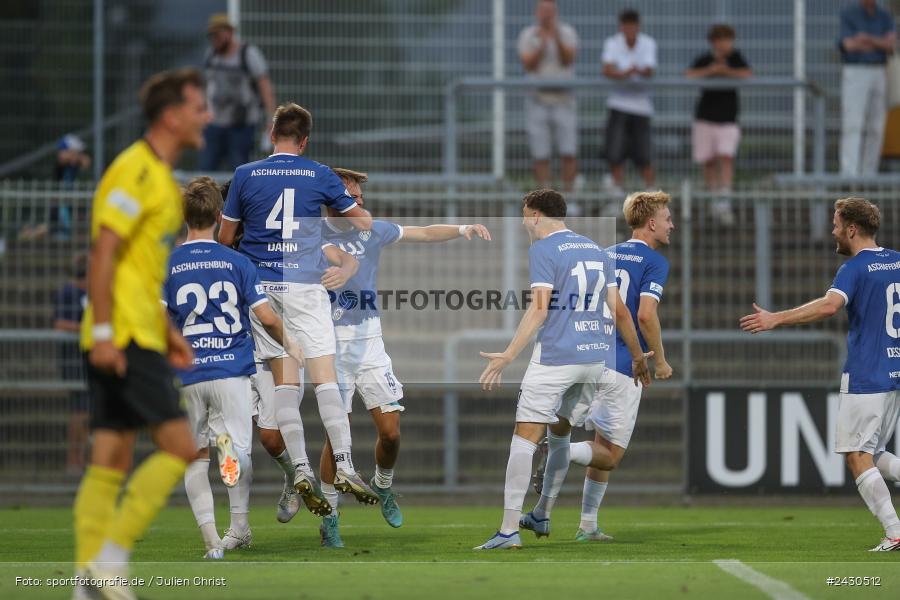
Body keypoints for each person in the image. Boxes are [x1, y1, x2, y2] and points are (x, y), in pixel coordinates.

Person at [73, 68, 209, 600]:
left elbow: (138, 269)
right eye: (199, 107)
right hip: (122, 336)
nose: (208, 117)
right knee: (180, 447)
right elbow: (103, 254)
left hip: (139, 331)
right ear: (172, 116)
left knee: (109, 457)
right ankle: (108, 563)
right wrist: (106, 333)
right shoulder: (135, 171)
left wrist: (169, 329)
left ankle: (88, 585)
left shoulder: (159, 178)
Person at [317, 167, 492, 547]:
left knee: (391, 432)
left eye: (361, 198)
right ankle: (330, 517)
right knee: (336, 435)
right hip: (329, 344)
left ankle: (383, 485)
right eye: (352, 197)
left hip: (369, 341)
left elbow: (424, 232)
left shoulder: (373, 230)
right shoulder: (311, 236)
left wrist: (462, 229)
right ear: (334, 200)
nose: (359, 203)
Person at [217, 103, 379, 510]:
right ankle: (342, 464)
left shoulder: (245, 175)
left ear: (272, 134)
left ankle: (302, 468)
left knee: (286, 380)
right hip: (305, 284)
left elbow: (225, 238)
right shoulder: (319, 174)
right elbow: (362, 222)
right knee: (325, 378)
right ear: (305, 140)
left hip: (262, 290)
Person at [474, 189, 650, 550]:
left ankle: (508, 531)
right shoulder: (597, 250)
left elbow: (539, 310)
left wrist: (508, 354)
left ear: (536, 215)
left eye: (525, 216)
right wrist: (636, 356)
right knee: (560, 433)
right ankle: (542, 512)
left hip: (556, 358)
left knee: (525, 437)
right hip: (593, 360)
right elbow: (620, 312)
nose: (523, 223)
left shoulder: (543, 249)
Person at [740, 197, 900, 552]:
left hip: (866, 375)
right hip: (894, 373)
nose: (833, 232)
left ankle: (895, 532)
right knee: (874, 452)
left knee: (856, 456)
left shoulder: (855, 268)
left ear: (852, 229)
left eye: (836, 225)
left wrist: (775, 318)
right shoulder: (897, 262)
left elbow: (830, 306)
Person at [163, 177, 304, 558]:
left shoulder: (169, 264)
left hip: (189, 374)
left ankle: (213, 541)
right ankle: (237, 511)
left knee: (194, 457)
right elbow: (266, 316)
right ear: (219, 215)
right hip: (231, 371)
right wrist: (290, 343)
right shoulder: (237, 262)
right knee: (236, 452)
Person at [529, 191, 674, 541]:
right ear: (651, 223)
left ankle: (559, 519)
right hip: (623, 365)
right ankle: (558, 453)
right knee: (607, 455)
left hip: (584, 355)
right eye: (668, 218)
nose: (672, 224)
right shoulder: (655, 262)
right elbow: (644, 315)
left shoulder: (603, 253)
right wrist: (660, 360)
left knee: (574, 432)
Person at [685, 24, 751, 219]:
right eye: (720, 40)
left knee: (726, 157)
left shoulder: (736, 58)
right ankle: (713, 200)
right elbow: (689, 75)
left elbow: (747, 73)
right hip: (705, 117)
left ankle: (724, 200)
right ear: (713, 42)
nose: (724, 44)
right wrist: (711, 70)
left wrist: (726, 71)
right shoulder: (705, 59)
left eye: (727, 40)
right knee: (708, 160)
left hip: (728, 118)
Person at [200, 13, 276, 172]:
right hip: (215, 123)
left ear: (229, 33)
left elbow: (265, 87)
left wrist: (271, 119)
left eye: (218, 35)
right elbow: (207, 87)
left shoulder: (248, 54)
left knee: (239, 170)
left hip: (241, 125)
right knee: (206, 169)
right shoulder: (211, 56)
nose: (215, 40)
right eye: (212, 36)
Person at [517, 0, 579, 191]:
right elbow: (528, 63)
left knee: (568, 152)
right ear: (537, 12)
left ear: (556, 12)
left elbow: (568, 59)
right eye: (543, 11)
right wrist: (543, 43)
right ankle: (545, 199)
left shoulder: (567, 33)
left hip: (563, 100)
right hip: (538, 100)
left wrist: (556, 37)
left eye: (550, 11)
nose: (547, 15)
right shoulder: (528, 35)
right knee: (541, 154)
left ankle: (570, 199)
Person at [602, 9, 657, 195]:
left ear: (638, 26)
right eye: (626, 26)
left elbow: (649, 70)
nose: (630, 30)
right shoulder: (612, 42)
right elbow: (608, 70)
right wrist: (626, 73)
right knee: (615, 153)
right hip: (618, 105)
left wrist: (627, 72)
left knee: (644, 155)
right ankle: (617, 194)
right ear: (621, 27)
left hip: (642, 108)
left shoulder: (648, 43)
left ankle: (651, 195)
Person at [839, 1, 896, 177]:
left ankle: (869, 175)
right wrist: (879, 42)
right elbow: (848, 45)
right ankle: (849, 175)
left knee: (876, 126)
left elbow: (891, 45)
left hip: (879, 70)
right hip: (856, 71)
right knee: (853, 124)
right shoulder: (850, 13)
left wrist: (866, 39)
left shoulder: (884, 15)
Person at [53, 253, 88, 475]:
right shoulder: (69, 291)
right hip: (74, 360)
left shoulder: (90, 293)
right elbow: (60, 324)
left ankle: (80, 459)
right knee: (80, 412)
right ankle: (73, 460)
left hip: (87, 361)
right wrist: (86, 330)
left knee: (87, 412)